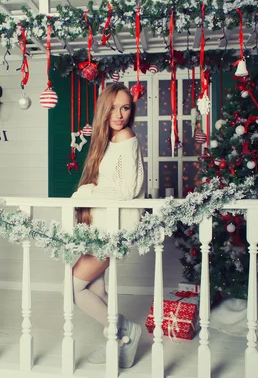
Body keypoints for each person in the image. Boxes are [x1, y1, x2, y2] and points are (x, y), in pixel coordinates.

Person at [68, 82, 146, 368]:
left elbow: (126, 191)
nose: (120, 114)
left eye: (125, 107)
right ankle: (118, 344)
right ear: (104, 109)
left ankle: (124, 330)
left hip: (114, 227)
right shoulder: (107, 141)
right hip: (102, 225)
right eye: (113, 107)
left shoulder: (126, 137)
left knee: (72, 287)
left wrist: (84, 193)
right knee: (96, 290)